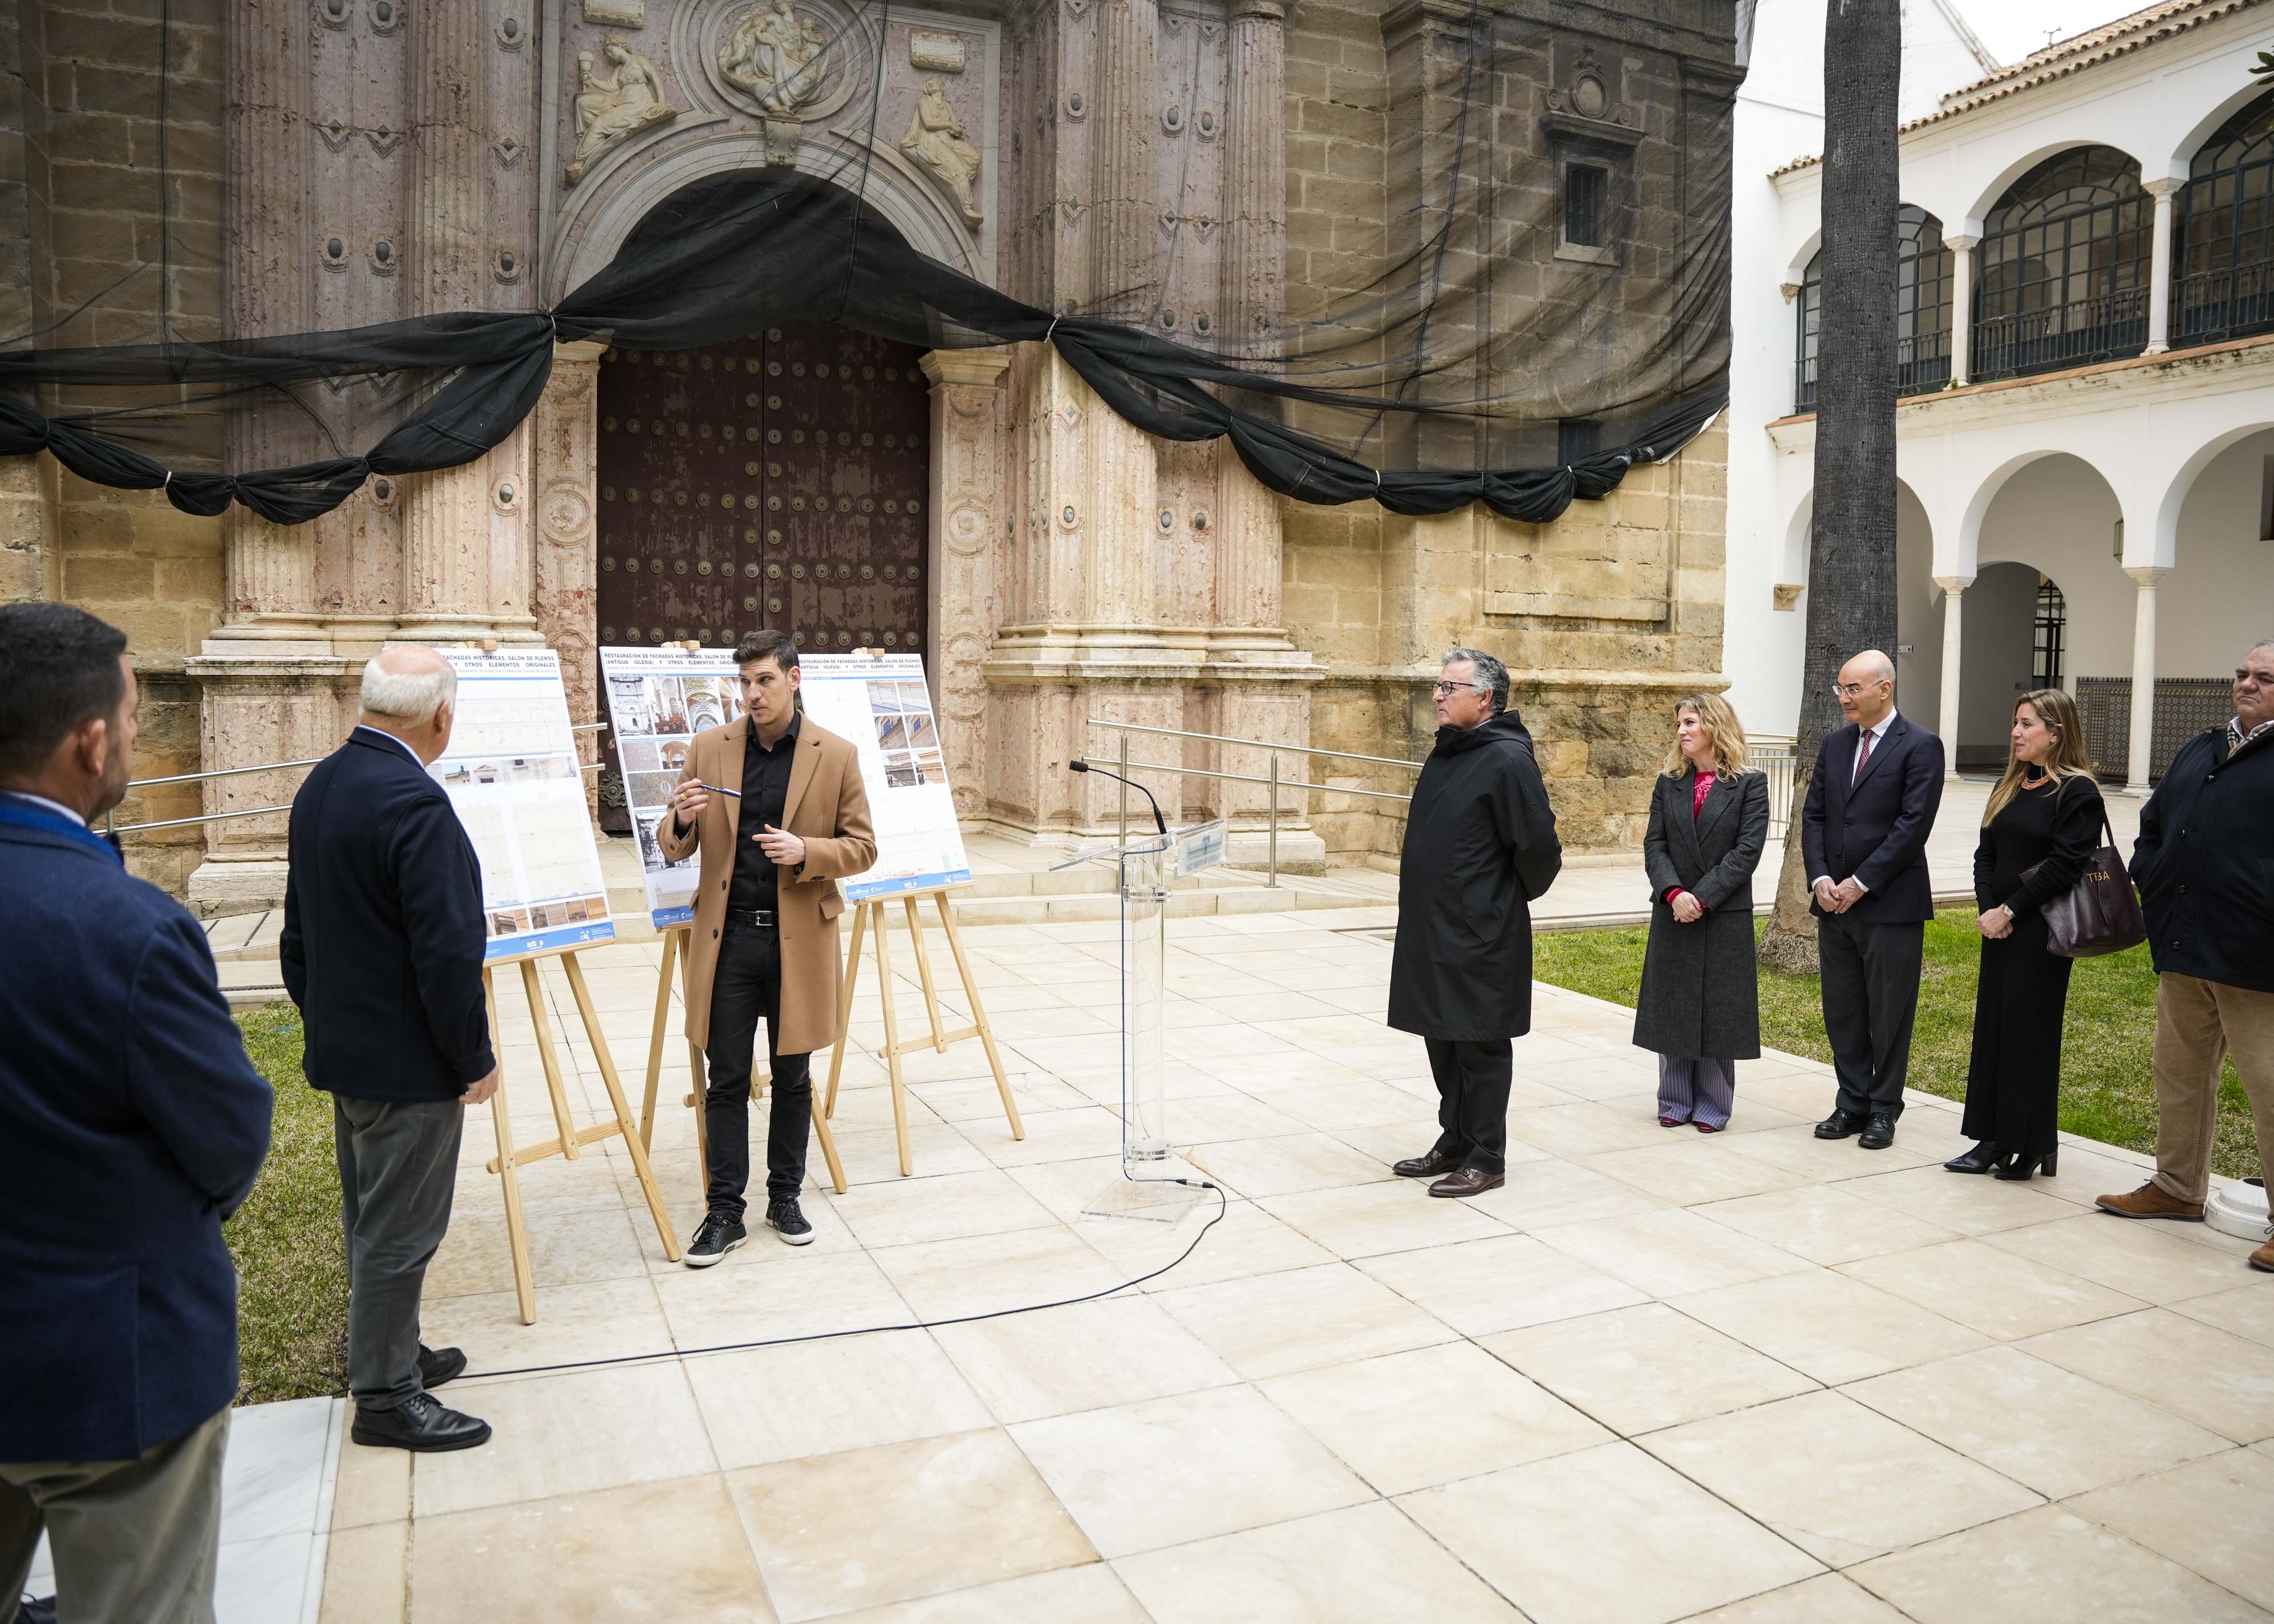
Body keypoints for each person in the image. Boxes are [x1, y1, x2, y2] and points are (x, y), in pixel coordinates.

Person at [0, 604, 273, 1623]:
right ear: (91, 741)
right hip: (107, 1368)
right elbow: (230, 1131)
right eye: (132, 708)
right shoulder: (126, 925)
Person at [281, 645, 499, 1452]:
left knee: (372, 1219)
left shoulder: (324, 784)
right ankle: (385, 1397)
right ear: (441, 716)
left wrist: (332, 1020)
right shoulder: (415, 804)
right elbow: (446, 954)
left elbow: (296, 934)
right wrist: (471, 1057)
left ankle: (392, 1349)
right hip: (408, 1068)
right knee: (400, 1232)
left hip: (352, 1052)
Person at [661, 630, 875, 1262]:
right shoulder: (708, 747)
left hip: (798, 942)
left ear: (794, 678)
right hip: (727, 942)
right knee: (724, 1079)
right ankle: (724, 1210)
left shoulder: (835, 754)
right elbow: (677, 845)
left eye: (765, 681)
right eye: (745, 683)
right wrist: (680, 816)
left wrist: (807, 852)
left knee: (792, 1075)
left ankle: (785, 1197)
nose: (752, 695)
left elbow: (862, 847)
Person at [2096, 638, 2274, 1274]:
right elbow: (2153, 820)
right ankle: (2176, 1188)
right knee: (2179, 1074)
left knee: (2269, 1089)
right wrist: (2151, 872)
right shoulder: (2204, 744)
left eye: (2264, 677)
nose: (2248, 684)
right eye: (2242, 674)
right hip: (2184, 941)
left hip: (2257, 954)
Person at [1387, 648, 1563, 1197]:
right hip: (1430, 926)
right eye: (1437, 686)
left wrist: (1494, 900)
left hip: (1479, 930)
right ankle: (1455, 1140)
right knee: (1441, 1036)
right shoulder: (1448, 752)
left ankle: (1487, 1157)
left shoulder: (1507, 759)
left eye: (1449, 688)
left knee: (1480, 1045)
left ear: (1485, 698)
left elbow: (1539, 849)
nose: (1437, 697)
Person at [1945, 690, 2104, 1182]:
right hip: (2001, 929)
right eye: (2015, 723)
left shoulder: (2077, 792)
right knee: (1994, 1031)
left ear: (2056, 733)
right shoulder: (2010, 785)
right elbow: (1984, 854)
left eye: (2027, 724)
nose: (2016, 732)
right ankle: (1995, 1137)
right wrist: (1988, 909)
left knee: (2027, 1036)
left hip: (2041, 932)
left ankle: (2025, 1142)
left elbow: (2065, 865)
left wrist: (2011, 909)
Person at [1801, 649, 1945, 1151]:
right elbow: (1814, 815)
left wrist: (1859, 884)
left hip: (1889, 904)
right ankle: (1851, 1103)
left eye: (1853, 688)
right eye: (1840, 688)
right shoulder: (1835, 745)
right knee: (1843, 1010)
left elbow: (1912, 828)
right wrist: (1820, 878)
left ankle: (1884, 1109)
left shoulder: (1921, 746)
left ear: (1884, 689)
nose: (1843, 698)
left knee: (1888, 1014)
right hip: (1832, 903)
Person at [1634, 693, 1770, 1132]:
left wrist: (1701, 896)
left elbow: (1746, 851)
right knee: (1673, 1005)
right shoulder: (1668, 781)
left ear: (1714, 725)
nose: (1681, 731)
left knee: (1719, 1010)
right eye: (1679, 724)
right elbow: (1653, 843)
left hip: (1722, 911)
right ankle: (1673, 1099)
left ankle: (1713, 1103)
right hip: (1674, 909)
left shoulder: (1750, 784)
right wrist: (1673, 893)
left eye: (1690, 722)